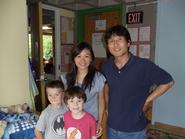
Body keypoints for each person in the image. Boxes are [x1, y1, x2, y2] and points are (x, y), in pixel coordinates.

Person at [101, 25, 174, 139]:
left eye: (119, 39)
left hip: (134, 130)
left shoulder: (143, 65)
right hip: (112, 127)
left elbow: (168, 82)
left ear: (128, 43)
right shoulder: (106, 66)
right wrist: (107, 105)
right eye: (111, 41)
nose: (115, 44)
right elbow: (106, 85)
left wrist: (147, 100)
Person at [60, 42, 106, 137]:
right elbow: (64, 102)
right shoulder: (66, 79)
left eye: (86, 56)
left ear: (91, 58)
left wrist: (100, 123)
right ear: (73, 59)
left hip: (92, 123)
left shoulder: (98, 78)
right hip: (72, 123)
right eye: (79, 56)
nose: (82, 60)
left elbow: (101, 101)